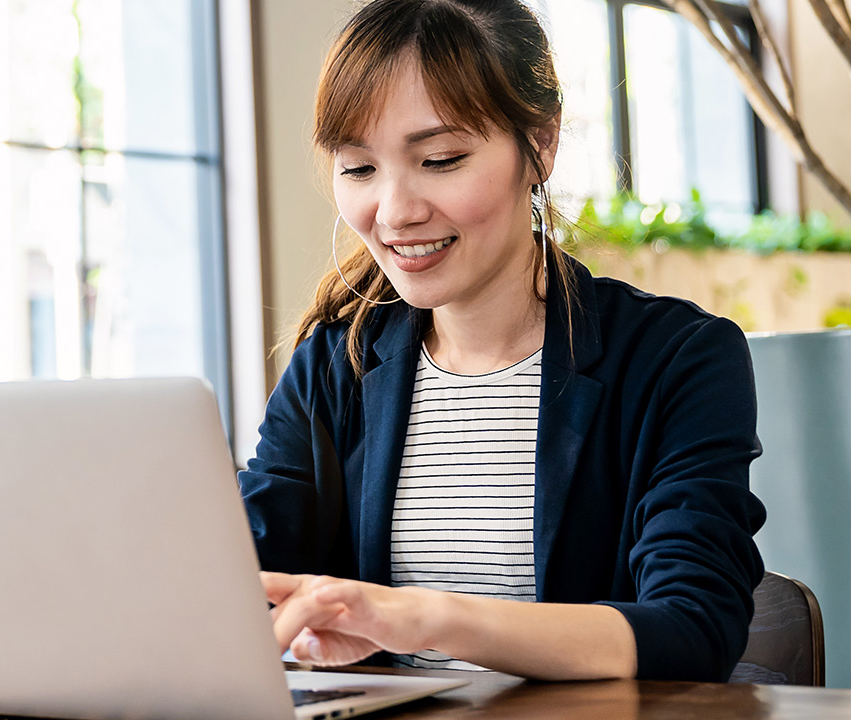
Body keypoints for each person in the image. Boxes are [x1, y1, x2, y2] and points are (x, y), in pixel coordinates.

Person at [240, 0, 766, 683]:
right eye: (360, 169)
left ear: (540, 145)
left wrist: (427, 618)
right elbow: (239, 573)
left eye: (440, 158)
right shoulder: (333, 366)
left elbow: (693, 627)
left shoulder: (678, 358)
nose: (395, 211)